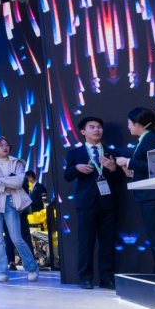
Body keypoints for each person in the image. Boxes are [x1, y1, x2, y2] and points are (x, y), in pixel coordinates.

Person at [63, 116, 122, 289]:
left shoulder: (112, 152)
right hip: (85, 202)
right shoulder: (74, 153)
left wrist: (112, 168)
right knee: (86, 242)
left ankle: (107, 278)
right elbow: (67, 176)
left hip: (108, 202)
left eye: (99, 127)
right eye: (92, 127)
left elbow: (119, 179)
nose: (97, 130)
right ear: (83, 132)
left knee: (107, 243)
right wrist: (76, 168)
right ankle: (85, 278)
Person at [115, 108, 155, 276]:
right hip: (149, 196)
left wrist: (129, 162)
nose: (128, 126)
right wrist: (130, 171)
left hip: (154, 196)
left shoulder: (151, 139)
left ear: (138, 124)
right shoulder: (146, 139)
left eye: (129, 123)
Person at [0, 136, 39, 282]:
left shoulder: (16, 163)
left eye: (7, 145)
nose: (5, 147)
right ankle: (2, 272)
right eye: (1, 145)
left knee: (16, 238)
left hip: (10, 201)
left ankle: (32, 267)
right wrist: (5, 185)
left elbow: (19, 182)